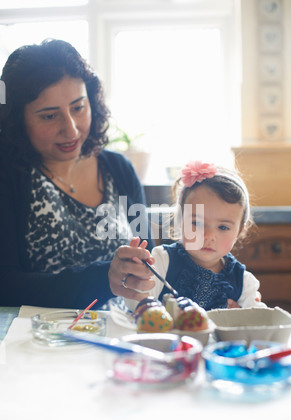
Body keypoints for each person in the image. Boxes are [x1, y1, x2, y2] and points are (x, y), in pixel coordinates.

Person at [0, 39, 155, 309]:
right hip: (39, 343)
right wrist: (103, 276)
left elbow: (150, 260)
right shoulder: (8, 175)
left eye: (78, 107)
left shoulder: (119, 170)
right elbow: (5, 285)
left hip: (121, 337)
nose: (71, 130)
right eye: (49, 116)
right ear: (17, 120)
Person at [127, 160, 266, 311]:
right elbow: (136, 305)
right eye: (197, 223)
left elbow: (259, 322)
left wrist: (241, 318)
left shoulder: (244, 282)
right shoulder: (161, 260)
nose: (209, 236)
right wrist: (137, 277)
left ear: (239, 232)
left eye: (223, 227)